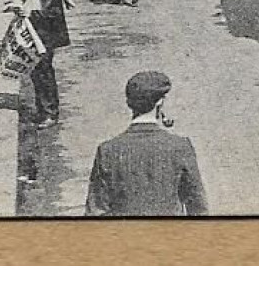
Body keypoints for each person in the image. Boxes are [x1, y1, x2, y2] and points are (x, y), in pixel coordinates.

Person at [85, 71, 209, 216]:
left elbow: (95, 212)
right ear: (160, 102)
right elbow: (198, 208)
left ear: (128, 103)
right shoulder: (180, 146)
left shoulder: (107, 150)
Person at [18, 0, 74, 128]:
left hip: (46, 37)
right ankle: (41, 110)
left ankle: (50, 112)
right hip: (36, 35)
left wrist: (31, 13)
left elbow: (53, 14)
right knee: (36, 73)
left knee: (45, 74)